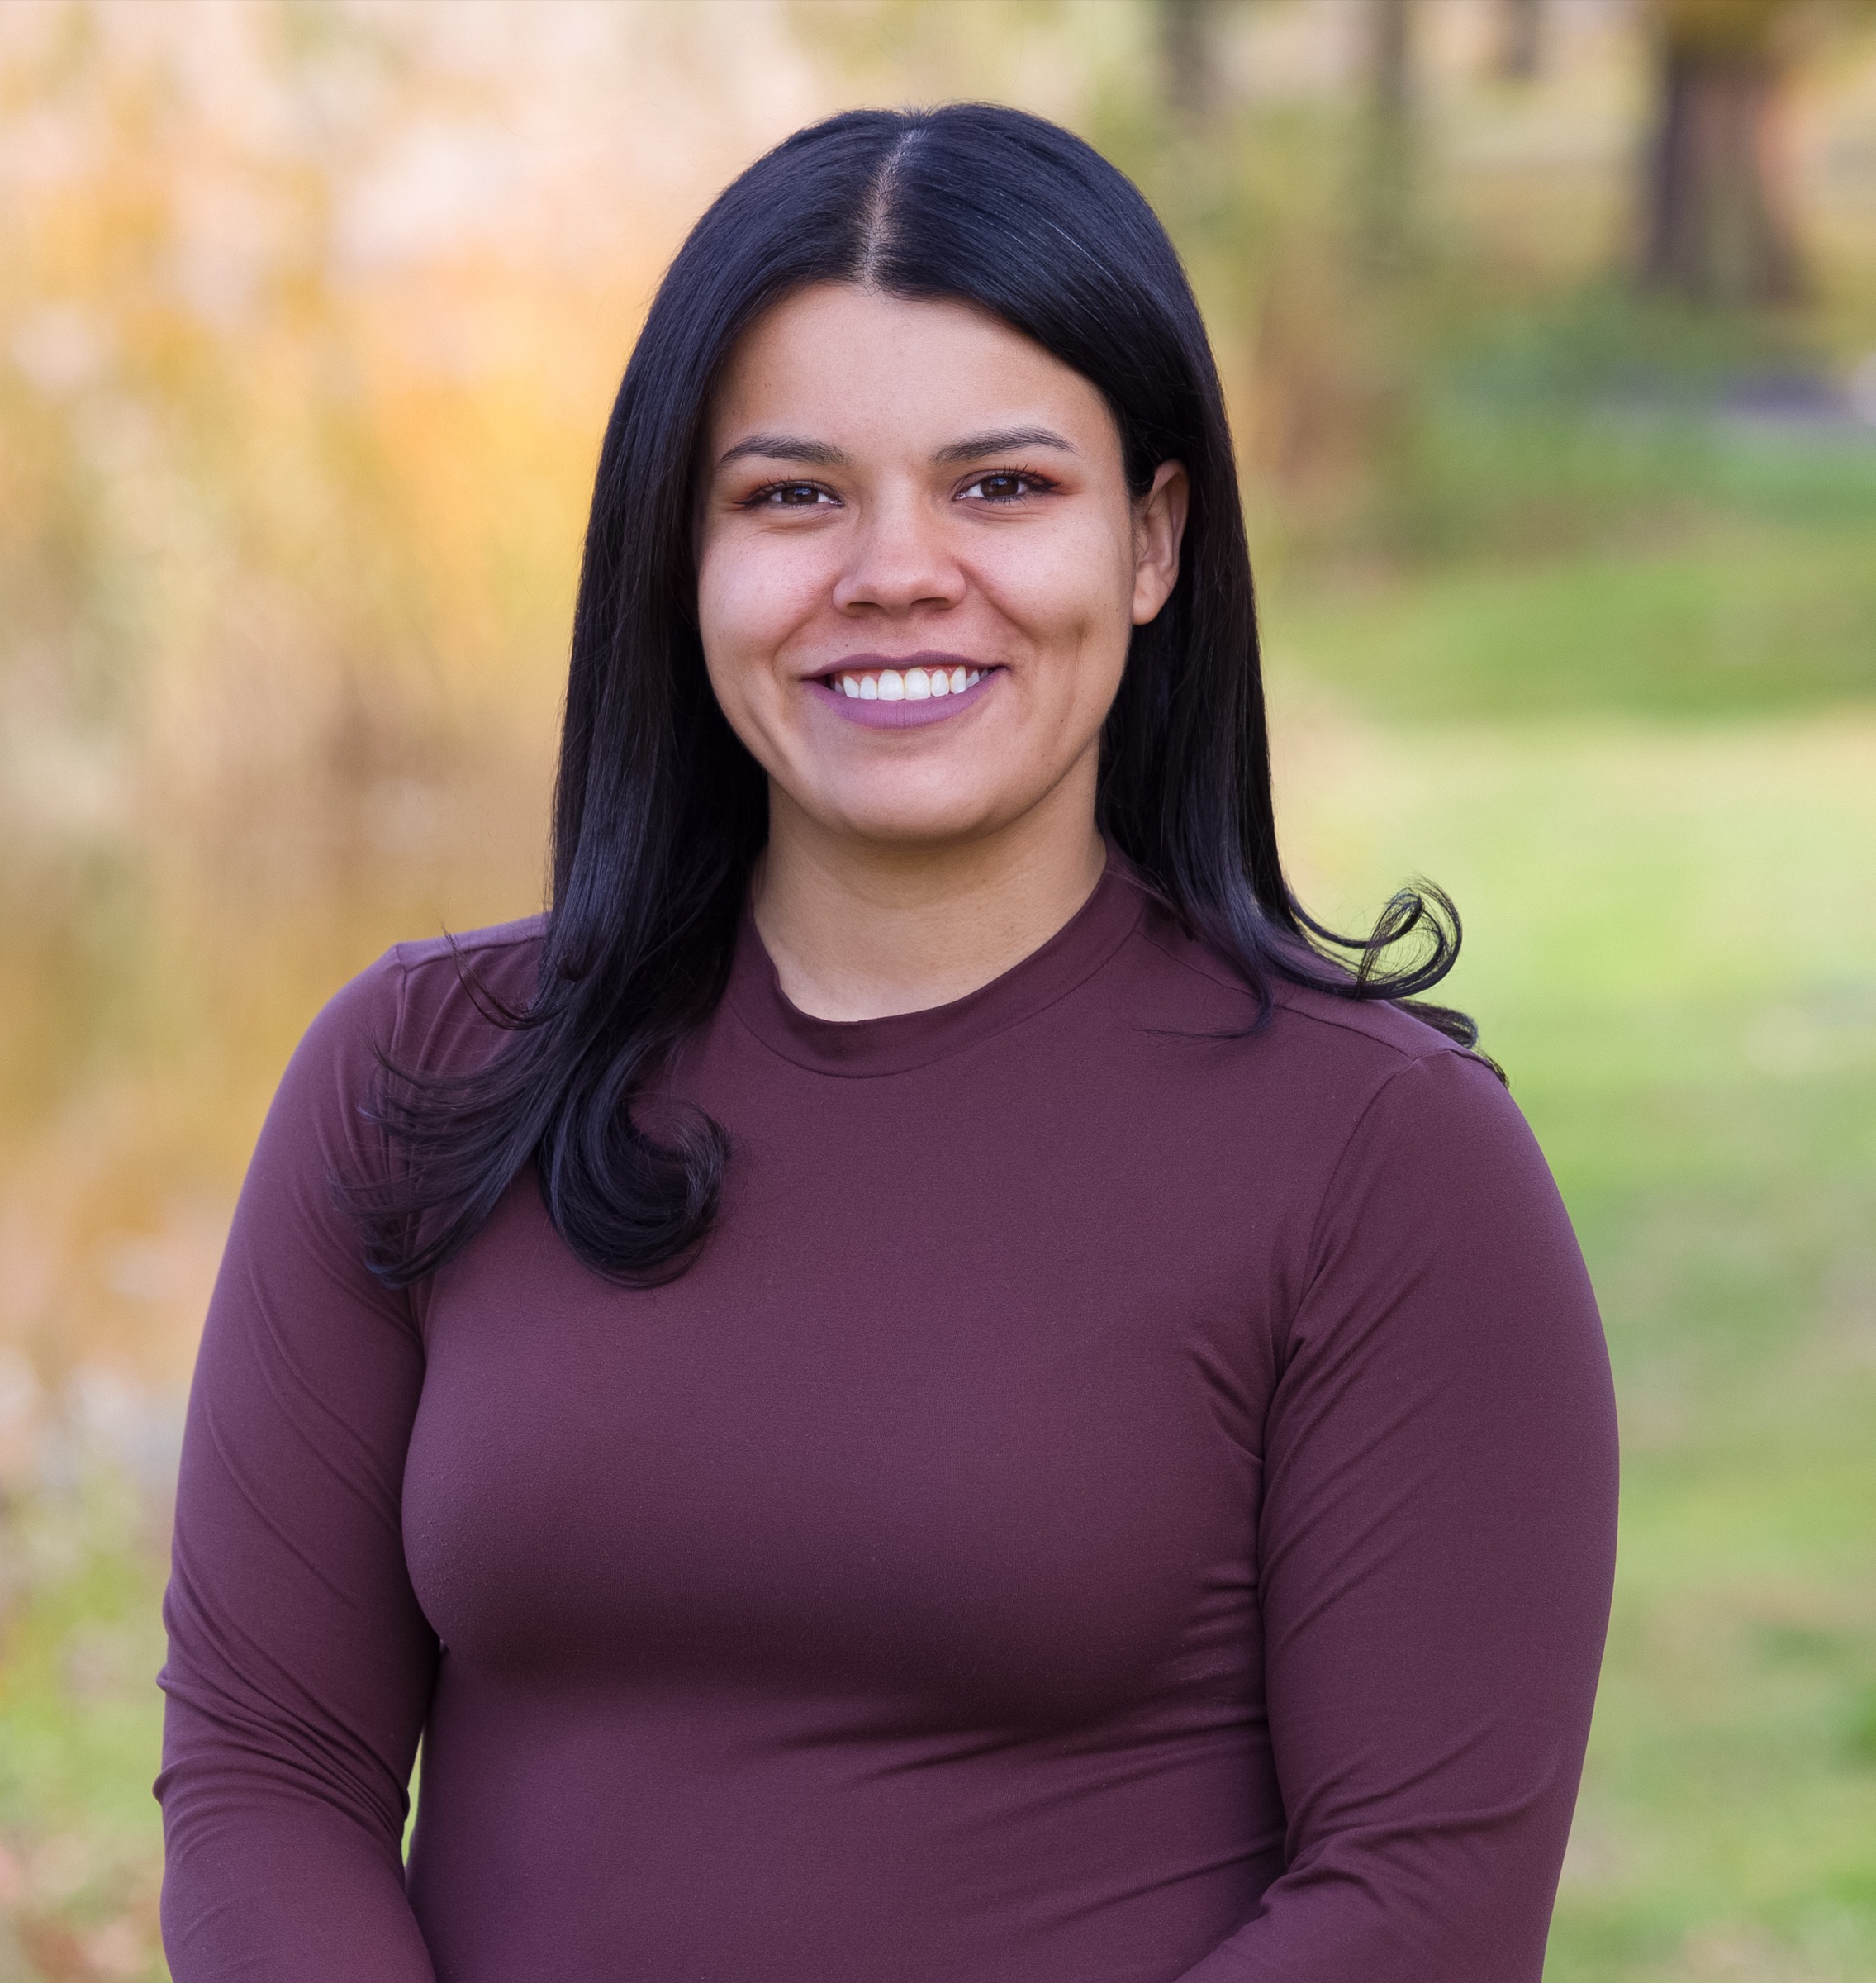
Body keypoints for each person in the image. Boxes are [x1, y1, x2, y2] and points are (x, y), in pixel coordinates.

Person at [155, 104, 1617, 1982]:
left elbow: (1419, 1903)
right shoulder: (414, 1077)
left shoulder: (1384, 1161)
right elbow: (271, 1771)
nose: (898, 571)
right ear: (683, 557)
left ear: (1156, 540)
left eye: (1002, 486)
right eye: (792, 495)